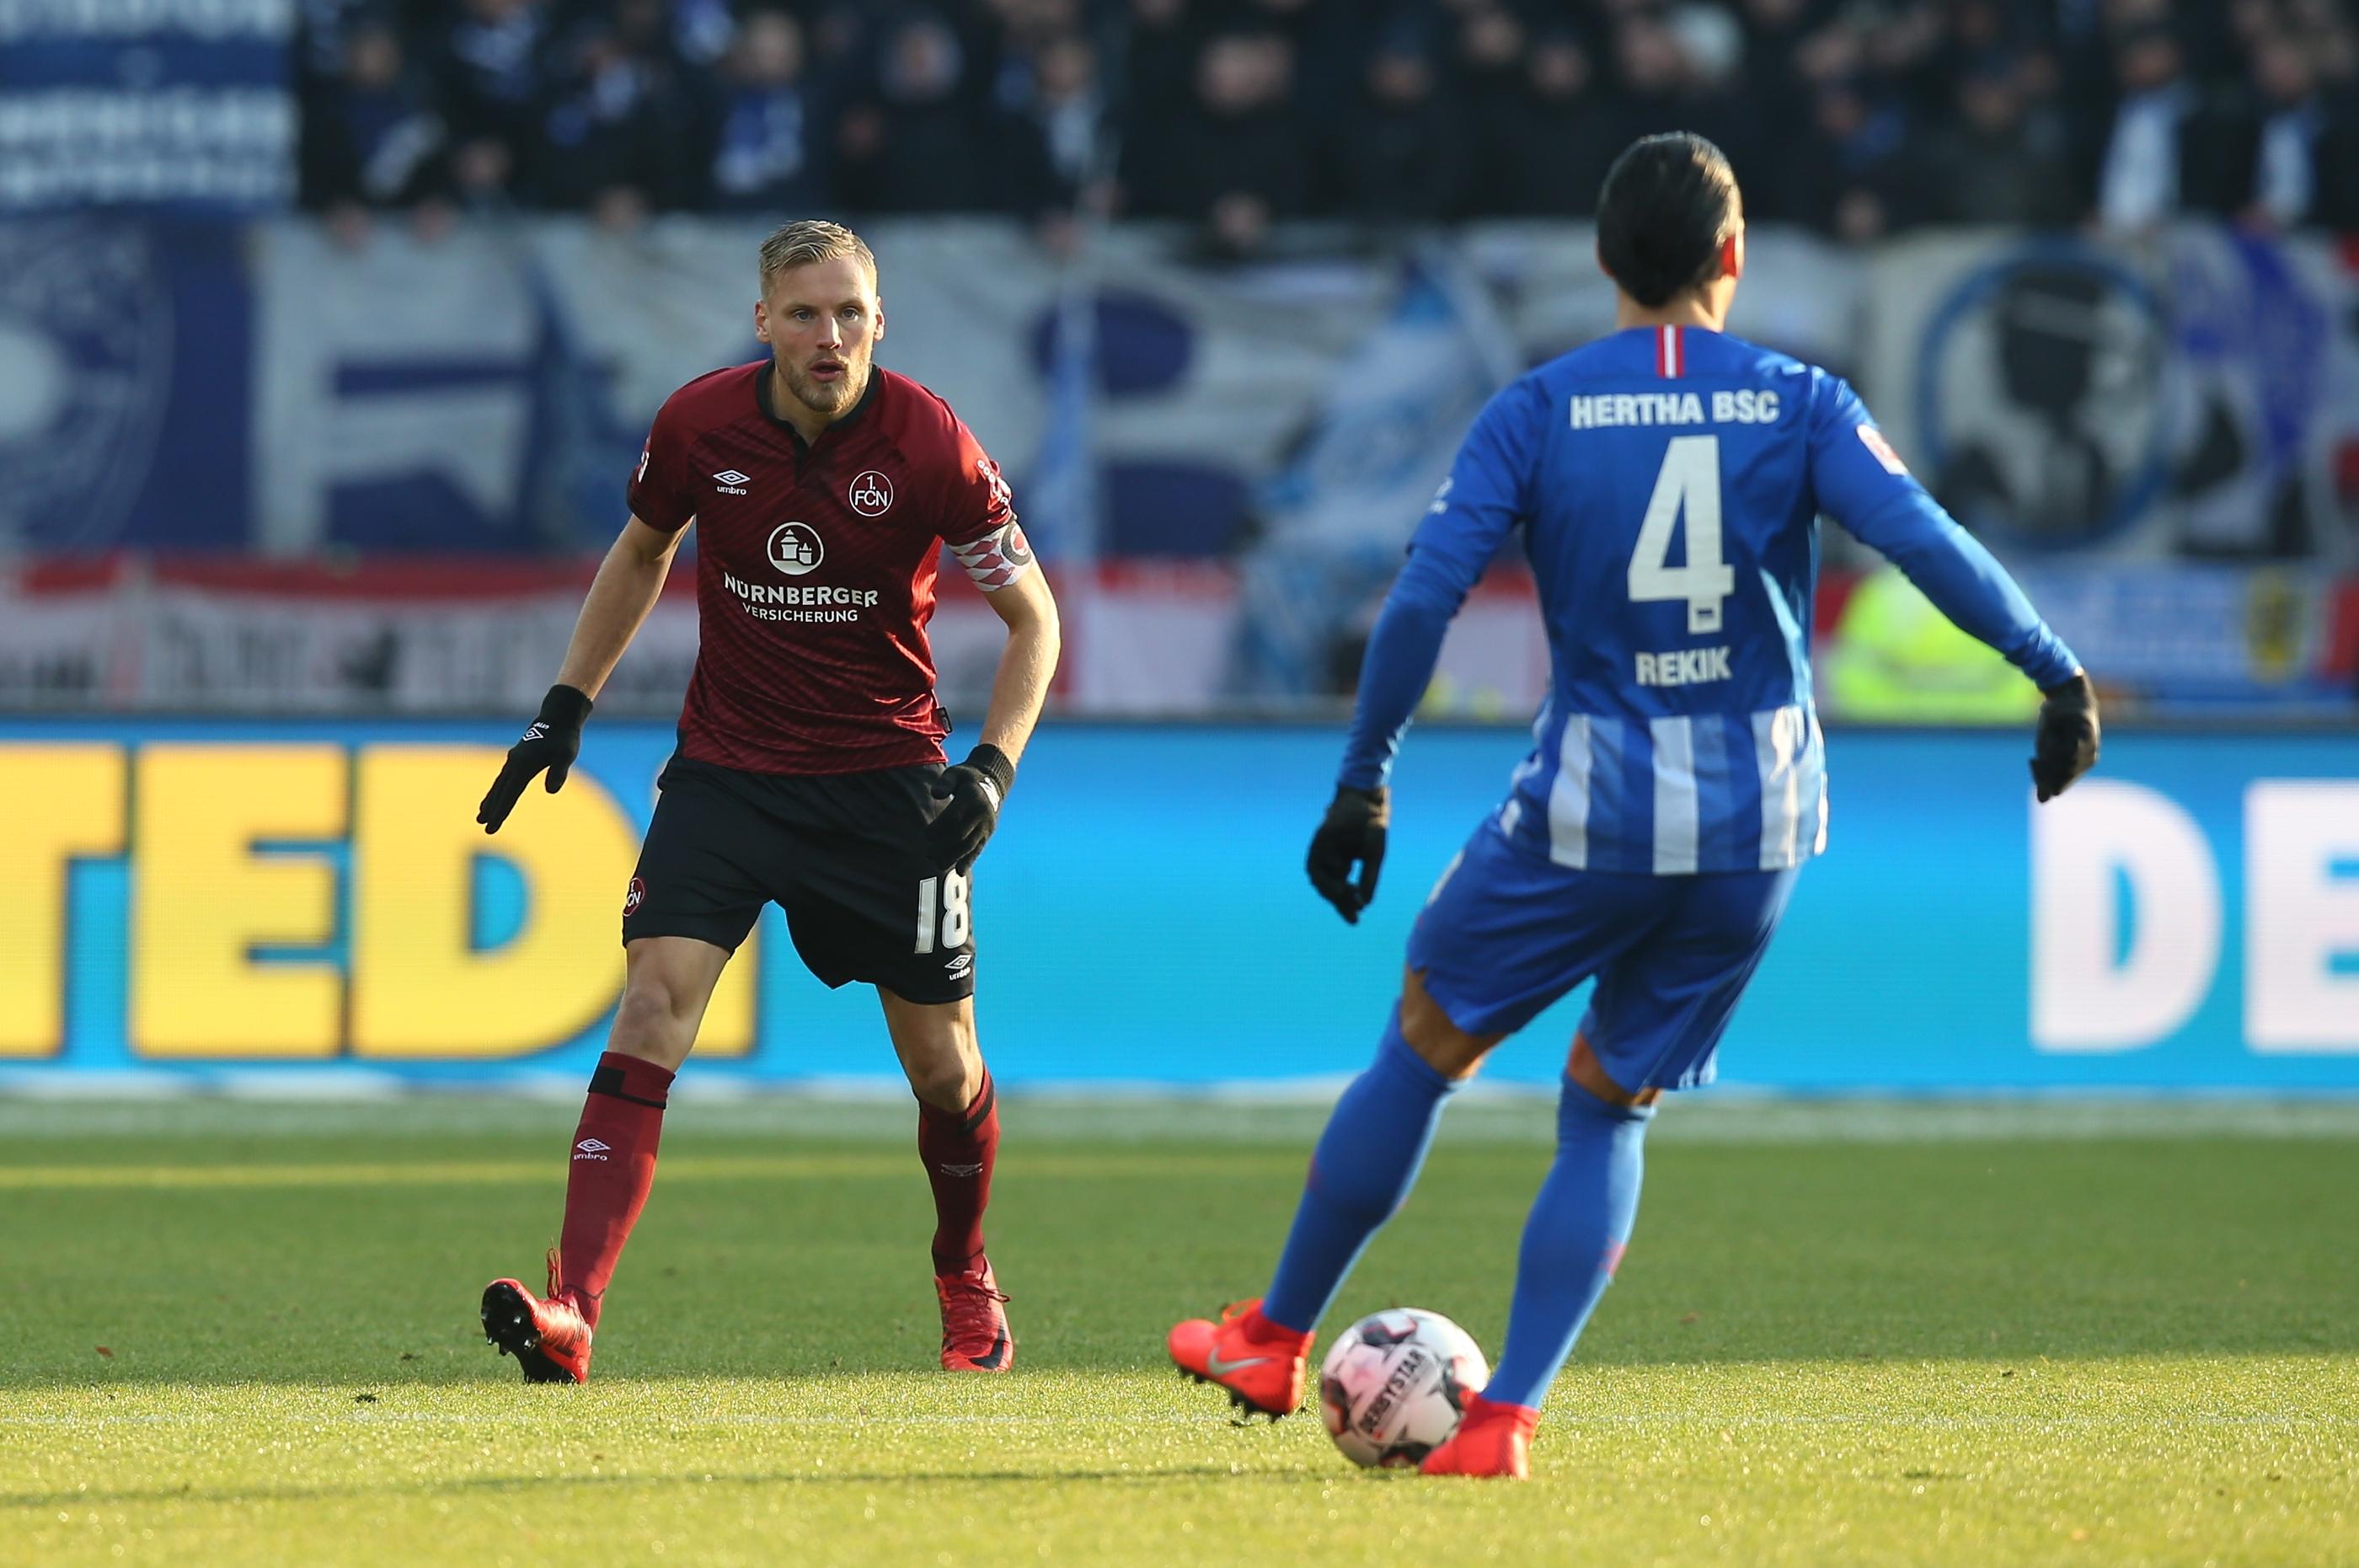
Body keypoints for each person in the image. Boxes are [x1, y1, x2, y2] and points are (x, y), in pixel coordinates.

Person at [1166, 133, 2098, 1479]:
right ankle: (1503, 1421)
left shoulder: (1538, 407)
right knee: (1608, 1106)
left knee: (1426, 1038)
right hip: (1758, 826)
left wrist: (1365, 777)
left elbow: (1426, 594)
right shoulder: (1802, 401)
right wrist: (2051, 671)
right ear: (1733, 257)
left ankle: (1271, 1333)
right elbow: (1921, 540)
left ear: (1604, 260)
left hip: (1588, 814)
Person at [474, 219, 1061, 1383]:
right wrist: (566, 703)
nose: (828, 335)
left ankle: (965, 1270)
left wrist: (989, 768)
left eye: (849, 313)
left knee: (944, 1067)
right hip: (729, 775)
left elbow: (1034, 619)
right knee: (651, 1006)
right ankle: (572, 1310)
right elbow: (642, 552)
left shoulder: (933, 441)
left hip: (886, 786)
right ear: (764, 324)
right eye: (804, 313)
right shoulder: (699, 426)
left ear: (879, 325)